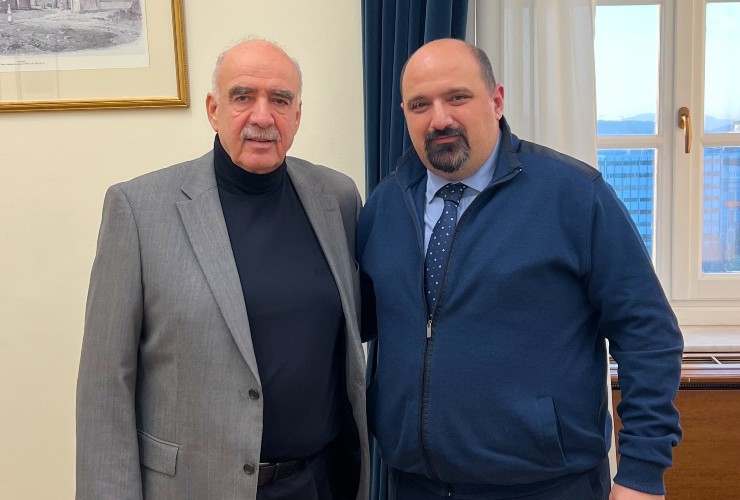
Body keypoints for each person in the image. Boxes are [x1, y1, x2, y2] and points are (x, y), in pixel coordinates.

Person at [358, 38, 682, 500]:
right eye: (420, 104)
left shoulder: (574, 195)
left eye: (457, 97)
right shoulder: (385, 205)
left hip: (547, 486)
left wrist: (643, 472)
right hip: (413, 484)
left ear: (496, 101)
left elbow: (648, 333)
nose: (440, 119)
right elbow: (362, 323)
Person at [77, 39, 369, 500]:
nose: (262, 116)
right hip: (195, 486)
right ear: (214, 110)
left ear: (297, 115)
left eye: (280, 100)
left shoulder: (337, 198)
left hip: (319, 482)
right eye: (242, 96)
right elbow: (105, 384)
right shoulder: (138, 210)